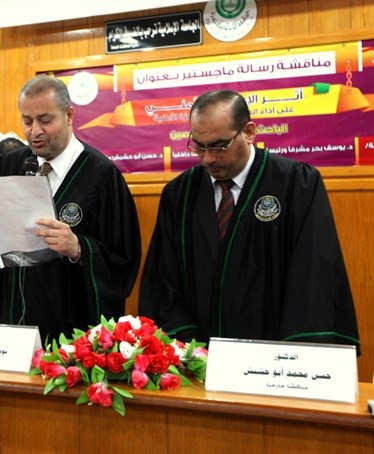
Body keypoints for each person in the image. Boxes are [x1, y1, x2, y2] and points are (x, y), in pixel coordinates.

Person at [139, 89, 360, 352]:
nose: (208, 158)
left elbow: (313, 276)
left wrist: (291, 355)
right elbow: (164, 282)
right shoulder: (179, 194)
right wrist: (192, 349)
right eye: (199, 146)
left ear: (249, 132)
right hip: (198, 357)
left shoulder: (296, 185)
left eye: (219, 146)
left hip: (274, 357)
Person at [0, 75, 141, 341]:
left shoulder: (102, 176)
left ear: (69, 115)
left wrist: (79, 248)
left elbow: (122, 259)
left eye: (45, 120)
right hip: (9, 322)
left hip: (67, 328)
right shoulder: (7, 167)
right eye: (27, 121)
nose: (35, 131)